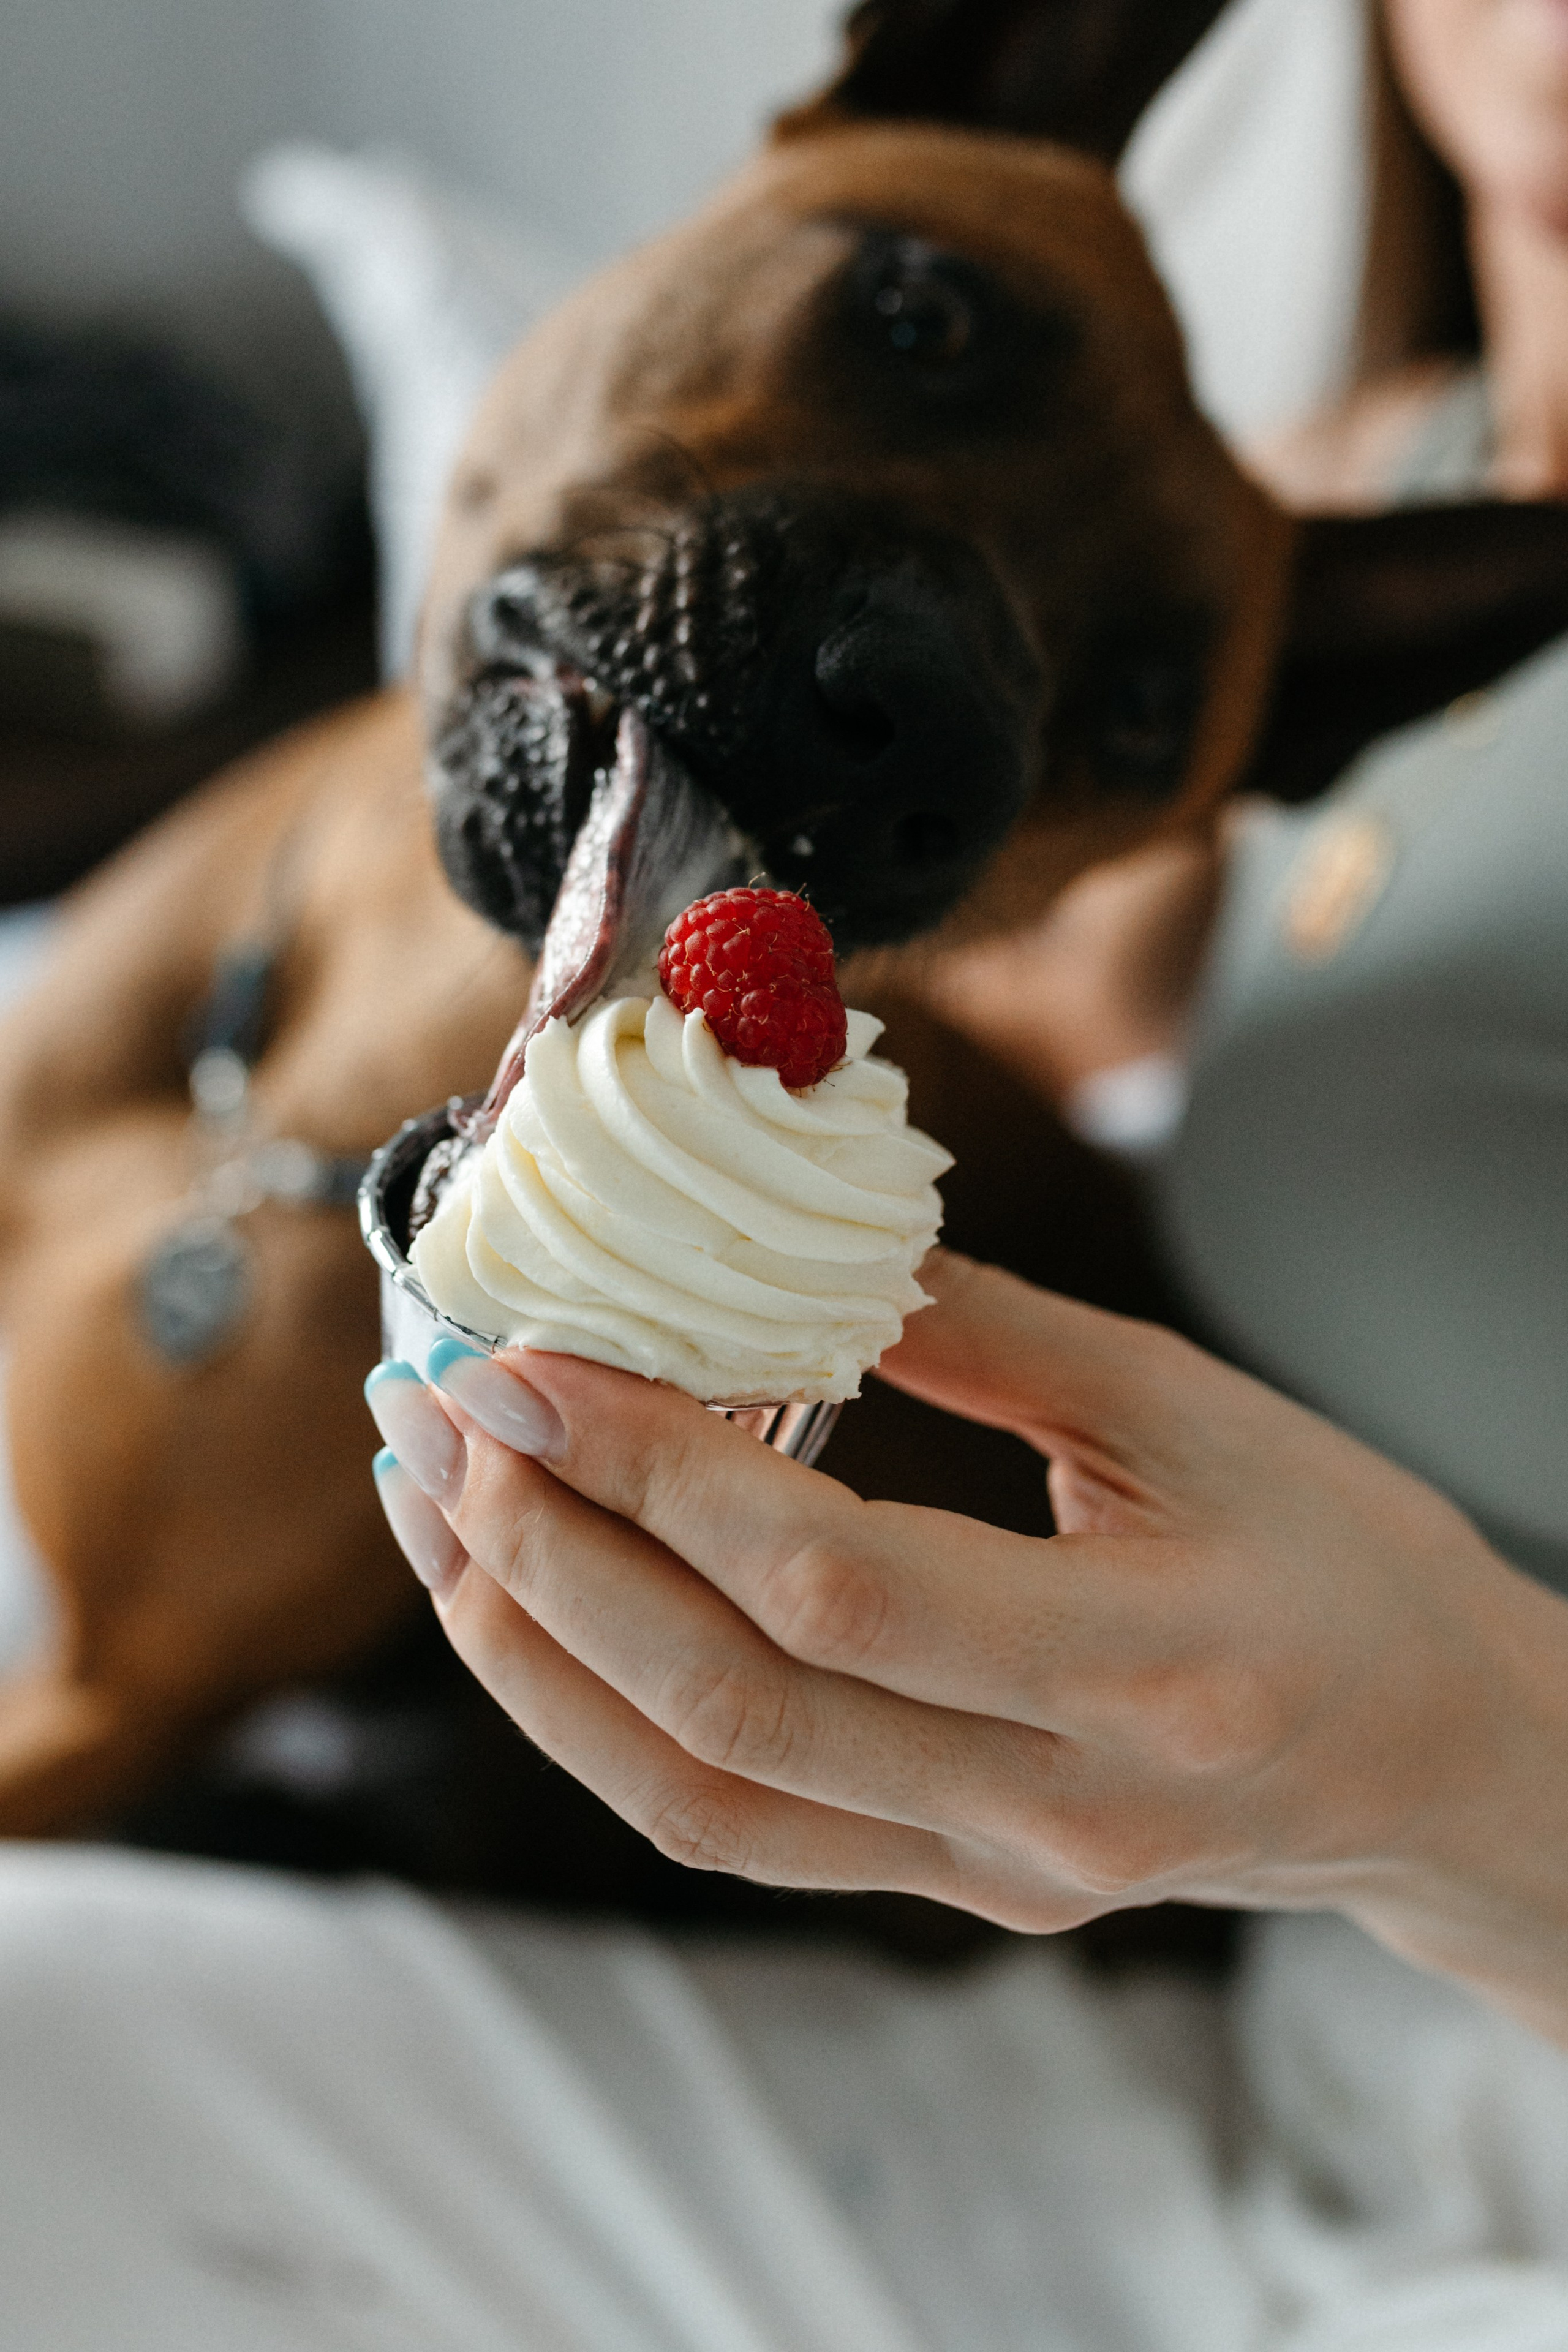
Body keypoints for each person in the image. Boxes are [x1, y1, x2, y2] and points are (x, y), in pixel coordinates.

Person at [4, 3, 1568, 2343]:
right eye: (916, 330)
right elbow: (1102, 1005)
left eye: (1114, 709)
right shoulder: (1341, 495)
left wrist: (1454, 1759)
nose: (926, 679)